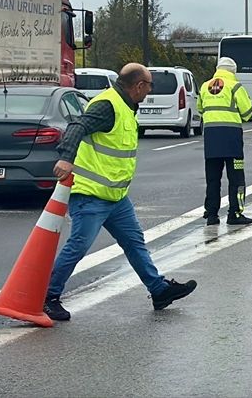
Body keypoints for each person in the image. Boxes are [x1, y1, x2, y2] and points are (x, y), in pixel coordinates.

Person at [43, 63, 197, 321]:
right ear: (139, 86)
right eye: (149, 86)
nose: (150, 92)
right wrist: (66, 157)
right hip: (91, 194)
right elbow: (77, 126)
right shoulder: (108, 105)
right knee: (78, 246)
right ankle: (48, 296)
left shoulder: (125, 106)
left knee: (134, 242)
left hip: (115, 197)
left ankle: (158, 290)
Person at [198, 57, 252, 226]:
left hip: (211, 139)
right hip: (232, 139)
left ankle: (211, 215)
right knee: (236, 178)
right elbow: (247, 113)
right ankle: (235, 214)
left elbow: (200, 109)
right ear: (233, 71)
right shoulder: (235, 86)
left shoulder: (205, 86)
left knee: (212, 179)